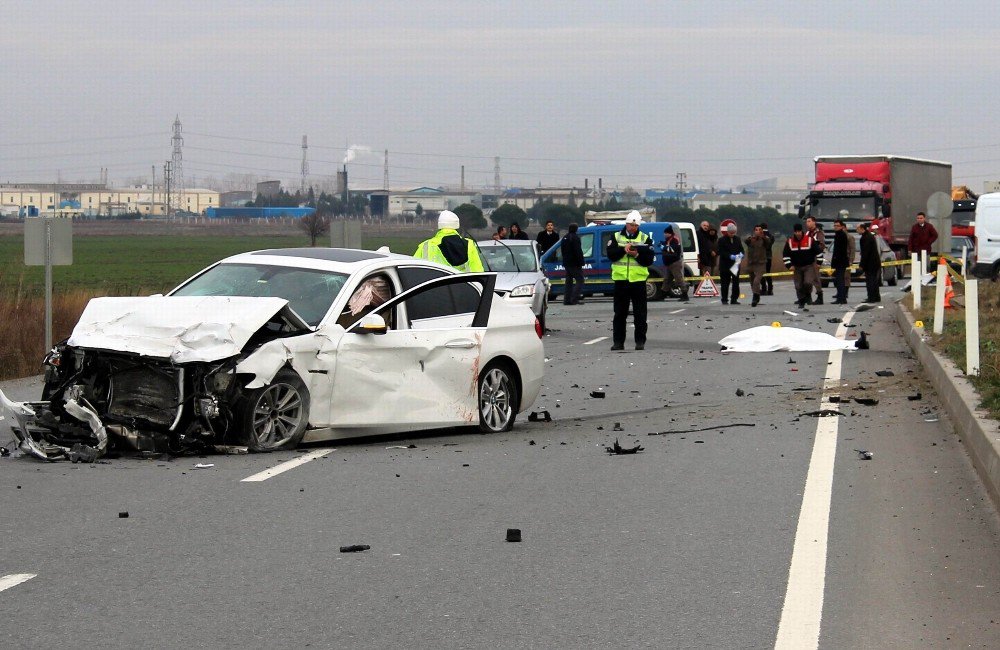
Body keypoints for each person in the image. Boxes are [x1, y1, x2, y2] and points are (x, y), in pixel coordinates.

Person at [607, 210, 654, 350]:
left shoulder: (645, 238)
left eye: (635, 226)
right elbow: (611, 255)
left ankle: (640, 342)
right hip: (621, 281)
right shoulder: (615, 237)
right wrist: (624, 250)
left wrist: (636, 254)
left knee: (640, 314)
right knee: (620, 313)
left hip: (638, 281)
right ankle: (618, 342)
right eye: (630, 225)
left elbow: (648, 260)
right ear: (626, 224)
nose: (633, 228)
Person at [413, 210, 485, 272]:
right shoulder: (469, 244)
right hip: (463, 287)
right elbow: (478, 270)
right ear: (457, 225)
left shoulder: (425, 246)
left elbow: (413, 269)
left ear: (439, 225)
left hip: (434, 287)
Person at [783, 223, 820, 309]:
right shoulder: (790, 242)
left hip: (808, 266)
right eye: (796, 232)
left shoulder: (810, 240)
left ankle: (808, 294)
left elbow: (818, 252)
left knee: (807, 282)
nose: (798, 233)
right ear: (794, 232)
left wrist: (818, 263)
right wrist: (789, 265)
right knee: (798, 285)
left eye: (799, 231)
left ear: (801, 231)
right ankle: (801, 300)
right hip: (797, 267)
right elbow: (785, 255)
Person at [716, 223, 744, 305]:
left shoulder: (737, 239)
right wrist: (730, 256)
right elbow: (721, 251)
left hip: (735, 264)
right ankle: (724, 299)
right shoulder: (721, 240)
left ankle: (734, 298)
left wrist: (741, 255)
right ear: (727, 232)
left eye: (734, 233)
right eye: (731, 233)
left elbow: (741, 249)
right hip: (725, 265)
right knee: (725, 283)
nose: (732, 234)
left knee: (736, 282)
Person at [829, 218, 856, 305]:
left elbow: (841, 250)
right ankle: (841, 297)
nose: (836, 227)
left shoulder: (841, 235)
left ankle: (841, 298)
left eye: (837, 226)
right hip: (839, 261)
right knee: (838, 280)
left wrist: (849, 260)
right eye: (835, 225)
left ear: (841, 226)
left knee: (840, 280)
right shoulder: (837, 235)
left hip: (841, 261)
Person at [661, 224, 688, 302]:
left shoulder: (675, 239)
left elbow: (673, 249)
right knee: (667, 279)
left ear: (669, 233)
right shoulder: (669, 240)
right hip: (669, 263)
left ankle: (685, 294)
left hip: (675, 262)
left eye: (665, 233)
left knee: (679, 279)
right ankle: (663, 294)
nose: (664, 234)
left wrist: (664, 247)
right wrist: (663, 243)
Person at [561, 222, 585, 305]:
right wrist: (581, 262)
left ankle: (567, 300)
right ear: (576, 229)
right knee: (580, 280)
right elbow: (578, 251)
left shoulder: (565, 237)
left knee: (568, 281)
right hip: (574, 263)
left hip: (567, 263)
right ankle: (574, 298)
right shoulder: (575, 238)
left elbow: (562, 251)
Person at [744, 224, 768, 307]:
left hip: (760, 263)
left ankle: (755, 297)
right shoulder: (751, 239)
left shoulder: (765, 239)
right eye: (756, 230)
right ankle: (756, 294)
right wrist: (753, 238)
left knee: (756, 281)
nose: (758, 231)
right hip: (751, 263)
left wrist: (762, 236)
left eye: (760, 229)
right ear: (754, 231)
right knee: (752, 280)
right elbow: (746, 241)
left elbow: (769, 244)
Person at [859, 221, 882, 303]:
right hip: (874, 262)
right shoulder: (869, 236)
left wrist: (862, 264)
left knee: (870, 281)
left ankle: (871, 297)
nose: (857, 231)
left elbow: (866, 252)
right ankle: (876, 297)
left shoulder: (866, 238)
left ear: (862, 229)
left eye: (857, 229)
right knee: (874, 281)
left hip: (871, 263)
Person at [805, 216, 826, 305]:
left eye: (809, 221)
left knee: (815, 278)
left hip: (814, 258)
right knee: (806, 279)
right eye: (807, 222)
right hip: (806, 258)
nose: (807, 223)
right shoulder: (807, 233)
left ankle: (819, 296)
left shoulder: (818, 233)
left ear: (814, 222)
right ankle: (806, 296)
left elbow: (821, 246)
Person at [760, 222, 775, 295]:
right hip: (769, 256)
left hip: (761, 256)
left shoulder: (761, 235)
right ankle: (770, 289)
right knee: (768, 272)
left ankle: (763, 289)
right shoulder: (771, 236)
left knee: (761, 273)